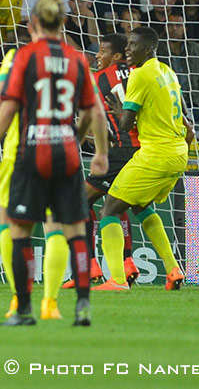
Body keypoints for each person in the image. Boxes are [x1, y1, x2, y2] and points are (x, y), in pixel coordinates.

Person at [0, 0, 106, 327]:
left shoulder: (23, 56)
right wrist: (96, 150)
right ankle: (79, 305)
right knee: (72, 229)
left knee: (19, 229)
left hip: (30, 151)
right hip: (67, 151)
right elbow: (94, 110)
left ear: (32, 23)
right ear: (62, 24)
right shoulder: (77, 58)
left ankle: (22, 308)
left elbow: (5, 104)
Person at [94, 26, 190, 292]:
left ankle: (117, 279)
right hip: (178, 153)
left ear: (148, 49)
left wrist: (118, 110)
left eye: (133, 45)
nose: (127, 49)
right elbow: (185, 119)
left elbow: (125, 124)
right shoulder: (167, 72)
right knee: (141, 206)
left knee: (109, 210)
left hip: (155, 153)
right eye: (127, 45)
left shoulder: (139, 74)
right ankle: (173, 269)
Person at [61, 33, 139, 289]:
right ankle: (128, 263)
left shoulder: (99, 79)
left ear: (116, 56)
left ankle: (88, 268)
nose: (97, 55)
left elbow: (89, 115)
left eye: (103, 51)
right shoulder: (141, 72)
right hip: (146, 151)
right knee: (119, 204)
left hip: (121, 150)